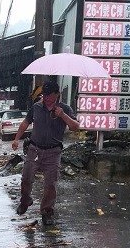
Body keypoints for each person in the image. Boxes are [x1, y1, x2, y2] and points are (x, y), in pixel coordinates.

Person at [11, 81, 80, 225]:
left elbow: (76, 127)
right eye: (44, 95)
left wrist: (62, 115)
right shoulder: (37, 107)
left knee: (51, 184)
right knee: (26, 178)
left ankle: (47, 212)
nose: (46, 98)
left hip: (53, 152)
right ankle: (25, 201)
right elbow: (25, 122)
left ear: (57, 94)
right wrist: (16, 139)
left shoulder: (65, 109)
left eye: (49, 95)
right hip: (34, 149)